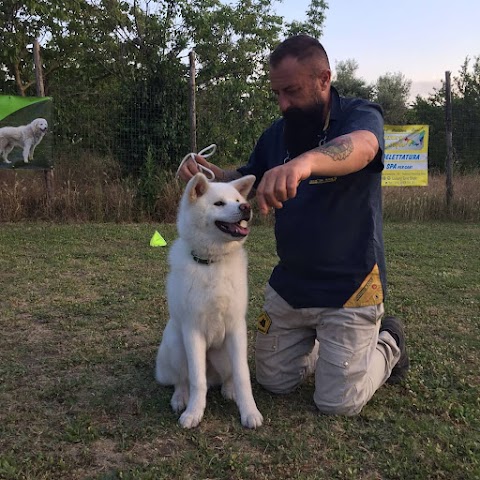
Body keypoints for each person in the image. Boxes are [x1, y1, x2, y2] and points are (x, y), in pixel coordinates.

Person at [178, 34, 409, 416]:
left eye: (292, 91)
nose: (283, 104)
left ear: (324, 79)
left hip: (350, 286)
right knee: (273, 381)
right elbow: (243, 181)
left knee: (338, 403)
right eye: (277, 94)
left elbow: (364, 146)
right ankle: (327, 344)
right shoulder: (276, 135)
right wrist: (210, 176)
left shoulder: (358, 114)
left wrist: (302, 164)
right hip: (291, 285)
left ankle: (389, 342)